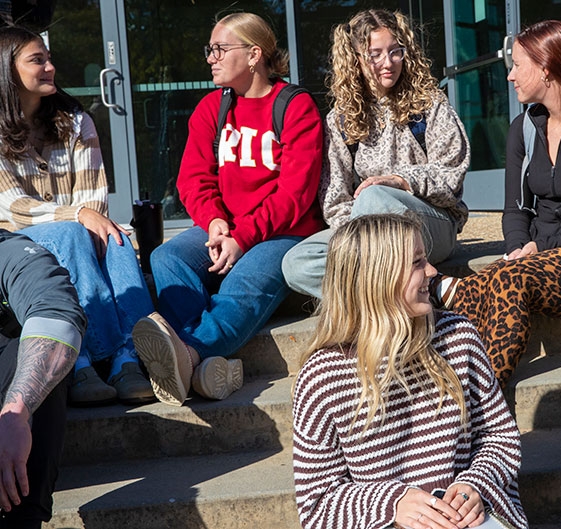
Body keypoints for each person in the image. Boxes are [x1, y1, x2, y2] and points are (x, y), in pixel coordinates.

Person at [430, 20, 561, 387]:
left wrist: (542, 247)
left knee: (509, 279)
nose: (510, 76)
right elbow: (515, 209)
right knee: (509, 271)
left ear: (545, 69)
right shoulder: (524, 127)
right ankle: (448, 386)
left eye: (517, 65)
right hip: (538, 258)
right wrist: (516, 248)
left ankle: (483, 396)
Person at [133, 12, 324, 406]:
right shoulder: (212, 108)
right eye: (211, 49)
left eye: (219, 49)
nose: (210, 58)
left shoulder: (295, 106)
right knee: (168, 257)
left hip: (282, 231)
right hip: (225, 228)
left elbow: (295, 195)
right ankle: (203, 366)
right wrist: (216, 221)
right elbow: (192, 180)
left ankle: (186, 354)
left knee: (243, 284)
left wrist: (243, 237)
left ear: (254, 54)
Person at [293, 214, 528, 529]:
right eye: (418, 262)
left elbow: (499, 436)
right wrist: (394, 504)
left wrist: (476, 484)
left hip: (467, 520)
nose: (432, 271)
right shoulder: (322, 376)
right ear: (379, 277)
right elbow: (317, 503)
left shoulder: (458, 337)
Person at [0, 26, 155, 406]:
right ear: (7, 69)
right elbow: (14, 207)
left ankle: (131, 359)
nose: (50, 67)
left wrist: (86, 216)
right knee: (71, 234)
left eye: (49, 58)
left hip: (73, 232)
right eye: (38, 60)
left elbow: (93, 202)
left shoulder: (74, 122)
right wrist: (77, 214)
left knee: (118, 239)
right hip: (15, 244)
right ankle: (82, 361)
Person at [281, 9, 470, 299]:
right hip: (371, 235)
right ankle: (394, 295)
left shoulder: (429, 103)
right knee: (297, 262)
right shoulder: (340, 119)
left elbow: (451, 177)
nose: (388, 63)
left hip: (431, 225)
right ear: (356, 57)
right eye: (375, 54)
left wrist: (399, 181)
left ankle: (380, 291)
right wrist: (363, 241)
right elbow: (335, 201)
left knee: (375, 197)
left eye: (396, 52)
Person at [0, 229, 86, 529]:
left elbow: (57, 318)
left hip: (10, 435)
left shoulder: (9, 253)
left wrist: (14, 418)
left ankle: (22, 520)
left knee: (35, 358)